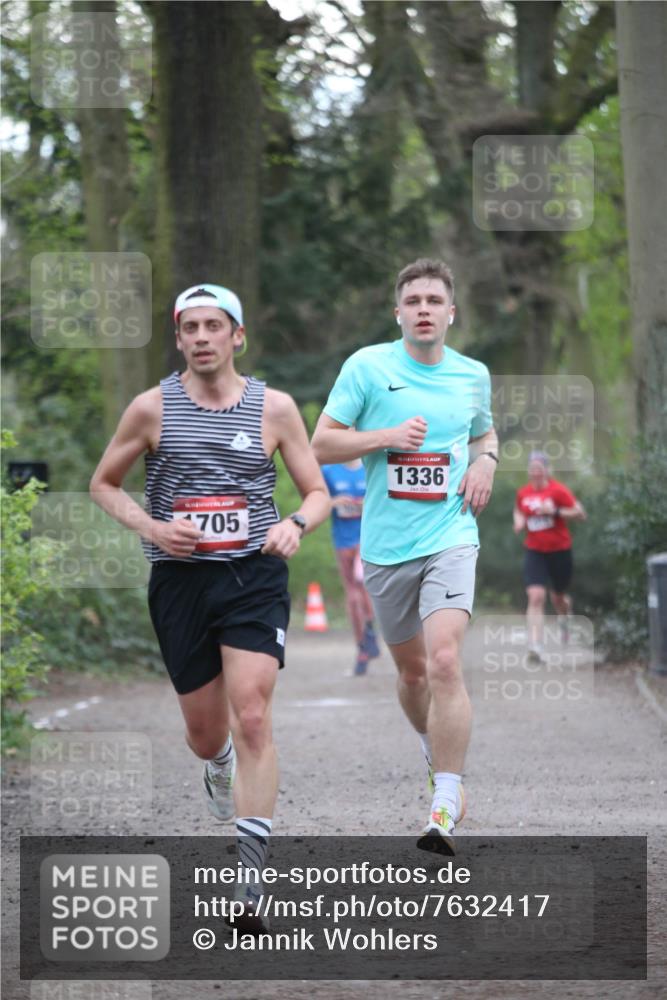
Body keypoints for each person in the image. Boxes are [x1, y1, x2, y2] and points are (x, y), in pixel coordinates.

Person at [90, 283, 330, 930]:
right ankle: (217, 766)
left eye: (213, 326)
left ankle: (250, 883)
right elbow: (102, 484)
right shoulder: (150, 408)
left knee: (252, 714)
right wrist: (152, 528)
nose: (200, 337)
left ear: (237, 336)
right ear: (178, 338)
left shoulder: (274, 409)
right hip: (180, 580)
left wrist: (295, 526)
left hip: (253, 575)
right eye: (189, 327)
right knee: (206, 735)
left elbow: (316, 492)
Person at [312, 258, 498, 855]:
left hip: (451, 535)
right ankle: (430, 745)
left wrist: (487, 460)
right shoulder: (367, 367)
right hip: (387, 548)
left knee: (444, 661)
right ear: (399, 313)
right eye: (412, 300)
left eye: (433, 300)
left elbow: (484, 433)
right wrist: (385, 438)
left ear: (451, 312)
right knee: (413, 674)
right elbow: (322, 442)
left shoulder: (473, 375)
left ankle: (446, 797)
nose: (423, 309)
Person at [513, 451, 586, 661]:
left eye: (539, 468)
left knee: (558, 597)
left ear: (546, 470)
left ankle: (565, 615)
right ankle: (535, 646)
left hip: (560, 551)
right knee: (536, 596)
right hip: (535, 551)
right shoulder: (523, 493)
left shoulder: (558, 491)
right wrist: (518, 521)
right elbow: (518, 510)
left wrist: (554, 512)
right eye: (532, 468)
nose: (536, 472)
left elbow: (580, 513)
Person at [321, 460, 380, 675]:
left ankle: (370, 634)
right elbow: (316, 499)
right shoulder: (328, 470)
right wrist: (333, 502)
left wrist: (368, 504)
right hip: (343, 541)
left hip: (367, 540)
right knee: (353, 593)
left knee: (361, 585)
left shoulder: (371, 464)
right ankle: (363, 645)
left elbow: (386, 499)